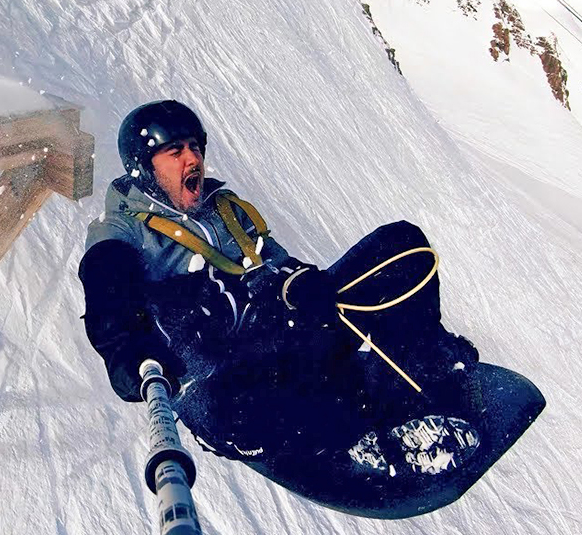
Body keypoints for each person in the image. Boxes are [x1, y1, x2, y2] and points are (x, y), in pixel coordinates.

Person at [77, 100, 486, 484]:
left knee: (403, 245)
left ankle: (424, 363)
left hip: (282, 329)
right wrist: (128, 353)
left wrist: (300, 283)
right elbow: (107, 297)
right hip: (221, 375)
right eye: (175, 152)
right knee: (235, 410)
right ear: (144, 167)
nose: (193, 160)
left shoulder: (226, 209)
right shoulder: (123, 229)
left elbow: (274, 262)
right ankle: (364, 440)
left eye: (195, 148)